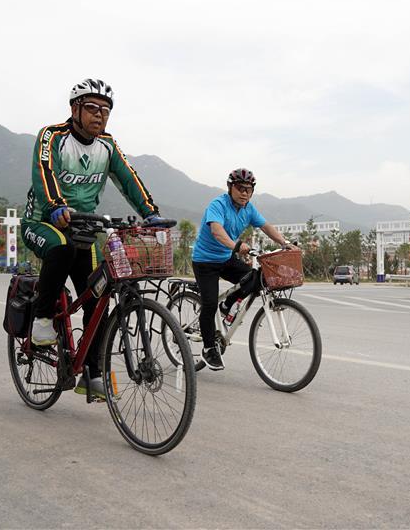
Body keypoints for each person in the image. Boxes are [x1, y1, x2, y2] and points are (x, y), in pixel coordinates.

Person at [21, 78, 169, 399]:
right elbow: (44, 171)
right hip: (44, 221)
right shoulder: (52, 137)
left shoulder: (108, 146)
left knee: (97, 298)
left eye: (105, 110)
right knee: (60, 248)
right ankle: (43, 320)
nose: (99, 115)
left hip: (84, 228)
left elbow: (129, 179)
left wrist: (150, 213)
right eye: (91, 108)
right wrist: (56, 205)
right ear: (75, 109)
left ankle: (91, 372)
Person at [191, 168, 296, 370]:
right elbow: (216, 231)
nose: (245, 193)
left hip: (225, 258)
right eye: (240, 188)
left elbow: (266, 226)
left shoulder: (248, 209)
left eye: (249, 189)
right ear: (230, 188)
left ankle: (227, 304)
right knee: (210, 303)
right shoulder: (218, 205)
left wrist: (285, 243)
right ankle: (208, 349)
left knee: (256, 278)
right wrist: (236, 246)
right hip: (205, 261)